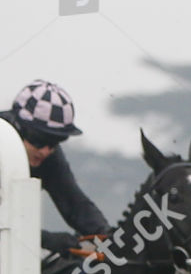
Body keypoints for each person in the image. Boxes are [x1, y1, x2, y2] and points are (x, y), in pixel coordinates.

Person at [1, 79, 110, 255]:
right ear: (17, 127)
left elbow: (75, 204)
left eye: (54, 143)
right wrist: (45, 239)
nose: (45, 151)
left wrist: (108, 237)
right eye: (39, 140)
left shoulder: (49, 158)